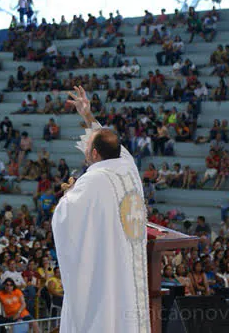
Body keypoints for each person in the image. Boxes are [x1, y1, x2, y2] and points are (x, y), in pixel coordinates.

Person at [52, 86, 150, 332]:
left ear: (94, 153)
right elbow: (110, 141)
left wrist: (68, 193)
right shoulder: (129, 168)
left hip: (107, 268)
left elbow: (66, 217)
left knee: (105, 316)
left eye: (87, 148)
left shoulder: (93, 180)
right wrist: (87, 115)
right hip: (129, 265)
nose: (84, 150)